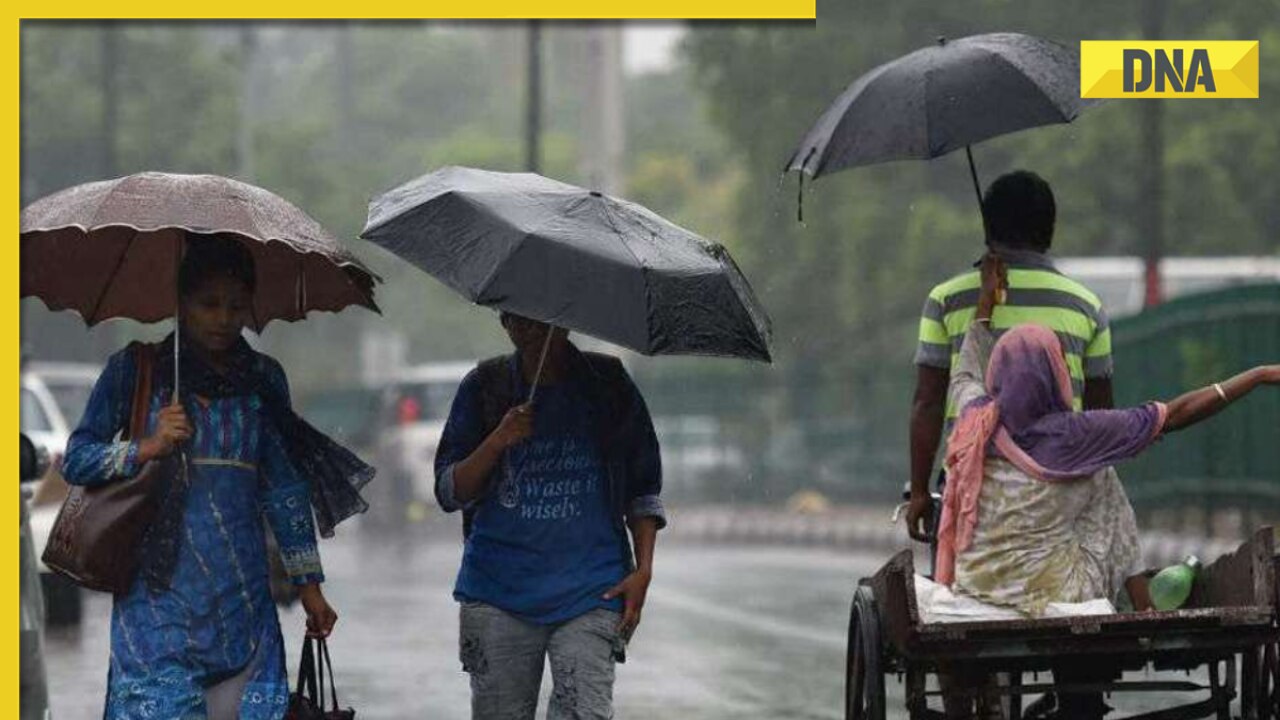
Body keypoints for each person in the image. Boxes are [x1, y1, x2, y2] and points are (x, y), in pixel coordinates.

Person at [936, 254, 1279, 718]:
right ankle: (1140, 605)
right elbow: (1176, 414)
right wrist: (1257, 376)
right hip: (1058, 593)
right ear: (1057, 374)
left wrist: (985, 302)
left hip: (979, 585)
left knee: (1096, 476)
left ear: (998, 378)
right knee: (1102, 474)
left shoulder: (975, 418)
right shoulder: (1080, 435)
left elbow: (964, 368)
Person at [63, 233, 365, 720]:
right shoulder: (134, 371)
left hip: (243, 607)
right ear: (181, 303)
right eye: (208, 304)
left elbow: (283, 487)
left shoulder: (265, 379)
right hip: (155, 606)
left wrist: (309, 585)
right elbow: (77, 459)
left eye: (236, 306)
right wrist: (145, 446)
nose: (223, 320)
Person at [434, 312, 665, 720]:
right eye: (517, 322)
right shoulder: (485, 387)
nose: (529, 333)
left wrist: (643, 570)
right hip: (496, 592)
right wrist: (498, 440)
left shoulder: (609, 385)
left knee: (586, 712)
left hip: (592, 590)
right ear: (504, 323)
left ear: (565, 323)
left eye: (541, 323)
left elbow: (642, 487)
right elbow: (451, 491)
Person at [907, 171, 1115, 547]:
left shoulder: (946, 300)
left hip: (969, 486)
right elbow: (1101, 415)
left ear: (988, 227)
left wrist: (920, 491)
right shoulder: (1086, 306)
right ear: (1049, 230)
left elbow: (928, 402)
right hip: (1060, 484)